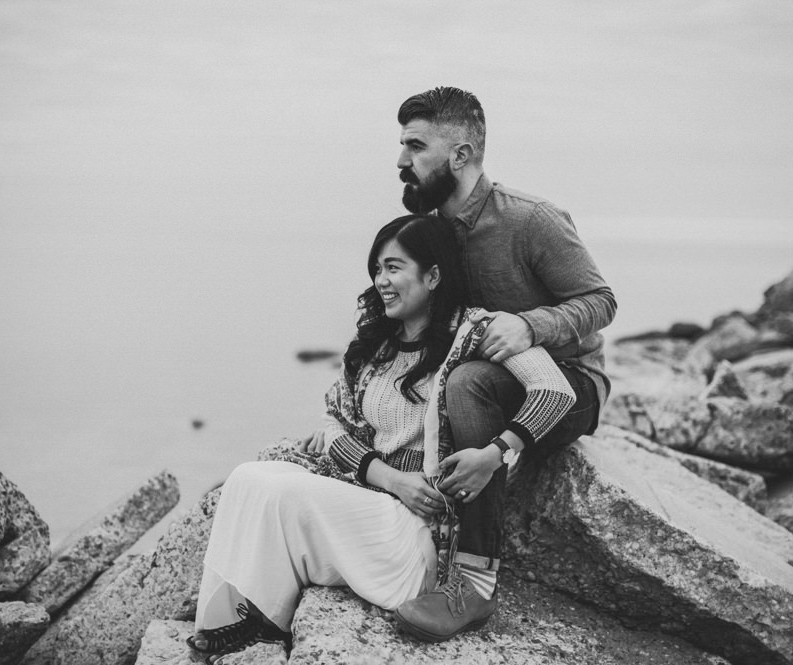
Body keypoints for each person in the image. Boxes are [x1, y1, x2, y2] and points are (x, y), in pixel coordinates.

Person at [185, 215, 576, 661]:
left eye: (393, 268)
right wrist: (390, 478)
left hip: (421, 535)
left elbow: (554, 391)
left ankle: (259, 620)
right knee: (248, 478)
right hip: (378, 503)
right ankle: (244, 618)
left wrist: (495, 453)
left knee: (274, 488)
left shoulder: (476, 331)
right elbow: (334, 423)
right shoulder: (376, 345)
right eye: (376, 269)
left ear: (432, 275)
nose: (381, 281)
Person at [391, 87, 617, 642]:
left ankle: (473, 582)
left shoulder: (532, 221)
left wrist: (530, 325)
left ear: (461, 155)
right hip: (490, 383)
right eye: (402, 146)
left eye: (416, 147)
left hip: (570, 386)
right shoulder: (431, 234)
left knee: (467, 385)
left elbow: (601, 301)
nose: (401, 162)